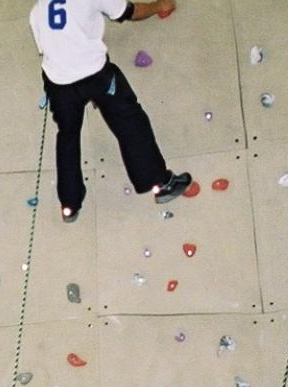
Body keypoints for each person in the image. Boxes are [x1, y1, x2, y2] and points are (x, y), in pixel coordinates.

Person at [29, 0, 193, 223]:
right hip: (95, 75)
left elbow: (48, 48)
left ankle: (69, 205)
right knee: (130, 121)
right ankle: (160, 182)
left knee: (67, 137)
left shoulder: (38, 10)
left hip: (59, 84)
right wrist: (159, 6)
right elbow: (128, 12)